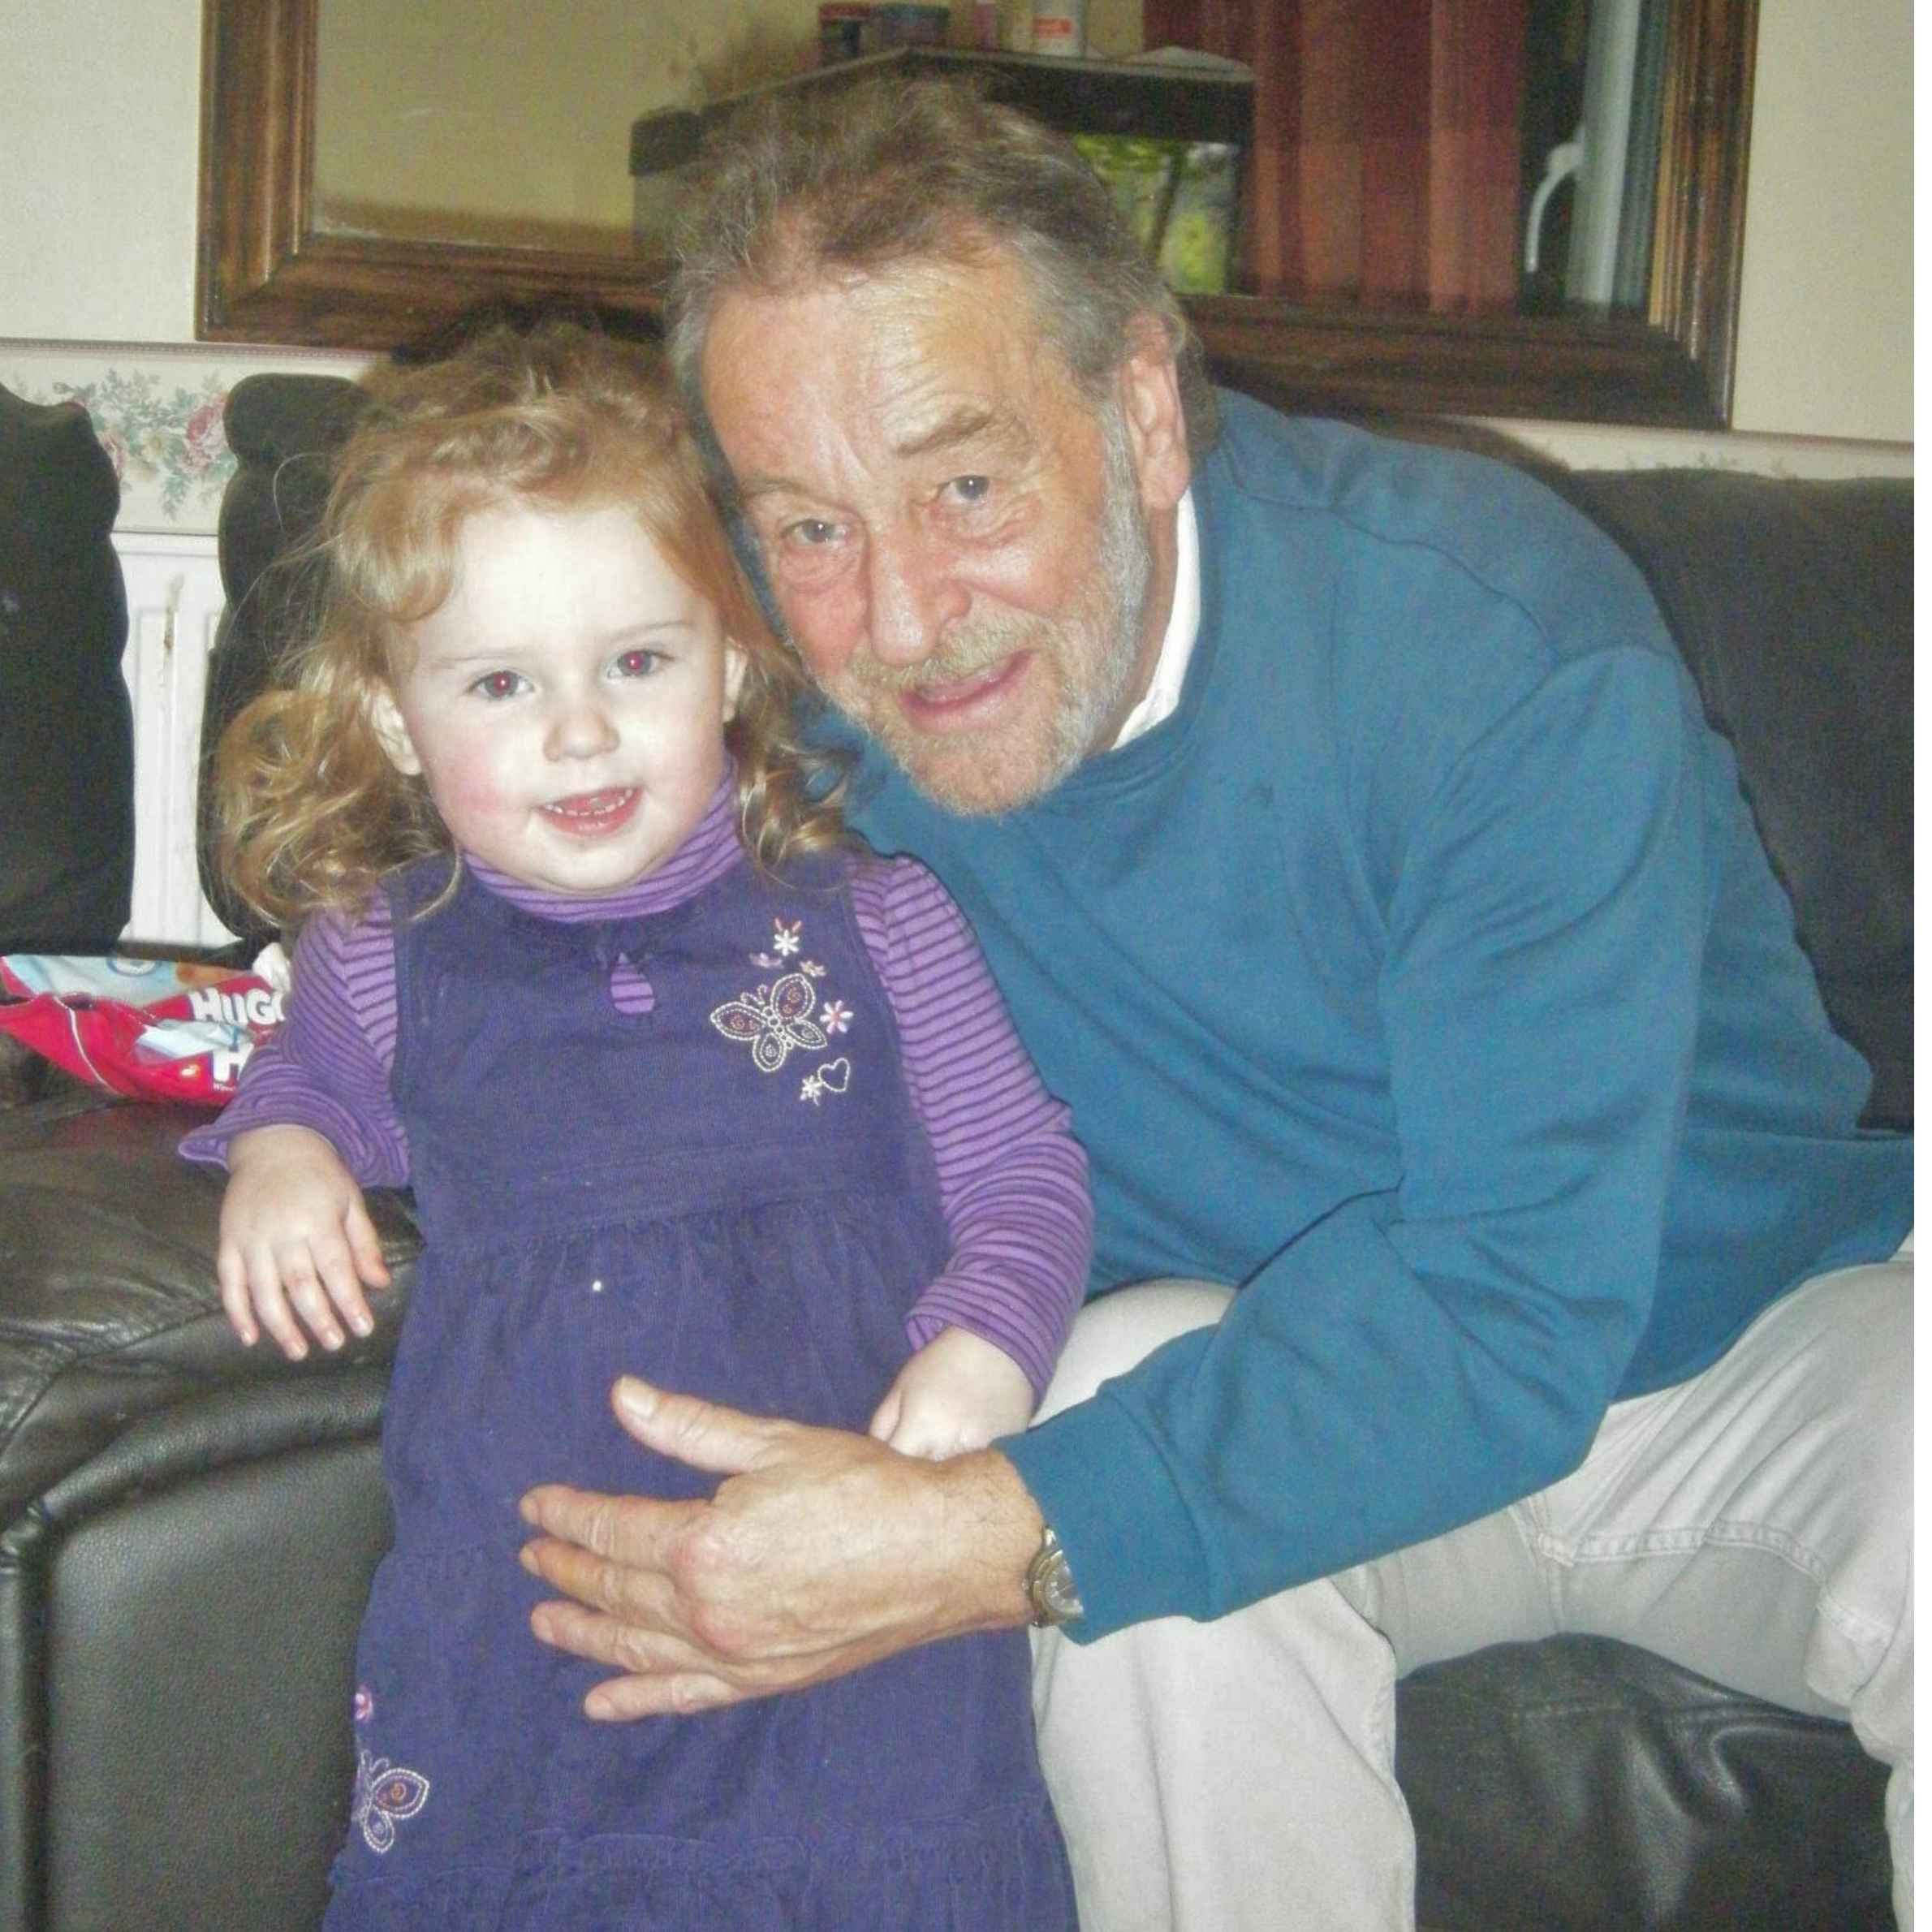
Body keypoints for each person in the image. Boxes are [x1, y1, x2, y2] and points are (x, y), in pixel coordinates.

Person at [511, 80, 1917, 1932]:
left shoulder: (1485, 641)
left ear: (1146, 413)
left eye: (963, 482)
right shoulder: (789, 716)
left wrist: (968, 1532)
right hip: (1287, 1389)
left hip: (1731, 1347)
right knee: (1112, 1405)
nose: (905, 619)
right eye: (812, 527)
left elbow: (1511, 1301)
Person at [181, 321, 1089, 1929]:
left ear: (732, 659)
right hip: (526, 1647)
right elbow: (305, 1083)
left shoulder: (881, 926)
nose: (579, 729)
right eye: (502, 682)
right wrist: (285, 1152)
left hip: (857, 1614)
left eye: (636, 661)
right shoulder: (386, 958)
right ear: (397, 717)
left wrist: (986, 1345)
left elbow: (1022, 1169)